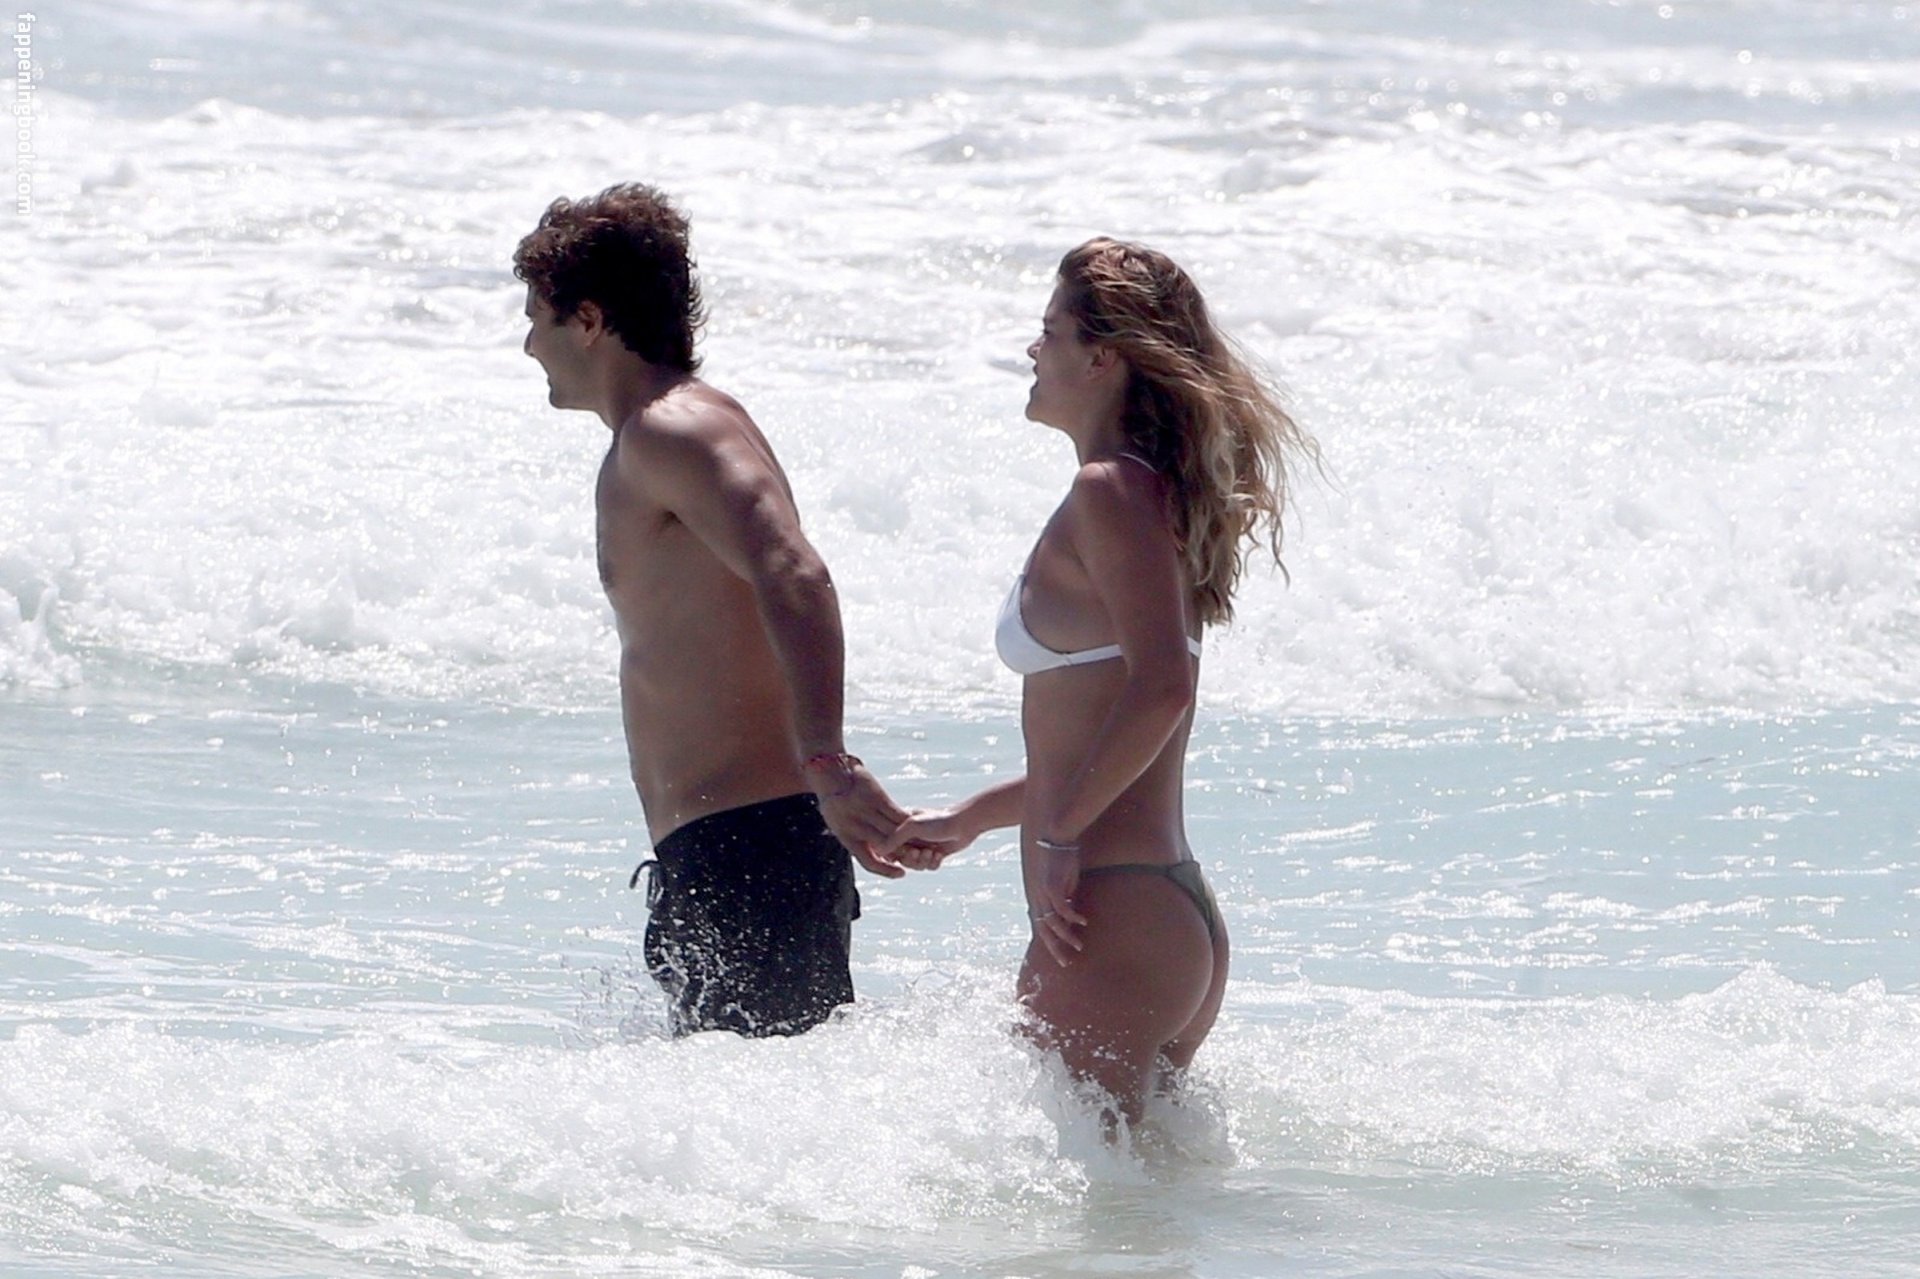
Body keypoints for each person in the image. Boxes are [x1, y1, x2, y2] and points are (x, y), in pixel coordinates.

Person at [882, 238, 1318, 1125]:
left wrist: (1057, 835)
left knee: (1086, 1208)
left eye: (1050, 331)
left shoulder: (1109, 490)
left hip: (1111, 916)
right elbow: (1098, 738)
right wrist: (972, 817)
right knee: (1141, 1200)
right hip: (1155, 911)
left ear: (1101, 356)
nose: (1032, 349)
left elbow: (1163, 689)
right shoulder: (1142, 496)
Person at [514, 183, 911, 1038]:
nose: (527, 344)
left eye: (537, 317)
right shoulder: (663, 434)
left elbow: (795, 571)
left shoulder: (675, 430)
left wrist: (829, 759)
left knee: (777, 1111)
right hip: (724, 852)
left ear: (589, 319)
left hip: (753, 850)